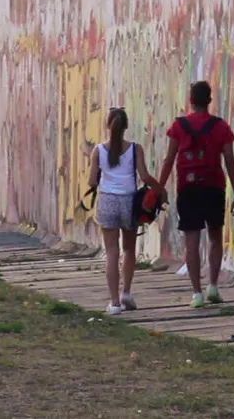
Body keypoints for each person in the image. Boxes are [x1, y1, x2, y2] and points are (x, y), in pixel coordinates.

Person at [157, 81, 234, 308]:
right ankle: (213, 286)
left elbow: (169, 159)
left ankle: (197, 294)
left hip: (188, 188)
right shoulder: (220, 127)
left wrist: (159, 188)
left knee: (192, 241)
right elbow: (230, 161)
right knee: (215, 237)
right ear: (209, 100)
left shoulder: (179, 126)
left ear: (191, 100)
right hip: (214, 187)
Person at [87, 108, 165, 315]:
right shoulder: (135, 149)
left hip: (107, 202)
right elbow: (145, 176)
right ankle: (126, 293)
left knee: (111, 251)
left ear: (107, 125)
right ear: (126, 126)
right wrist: (161, 190)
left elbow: (91, 181)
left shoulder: (98, 151)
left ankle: (114, 303)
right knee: (129, 249)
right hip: (129, 202)